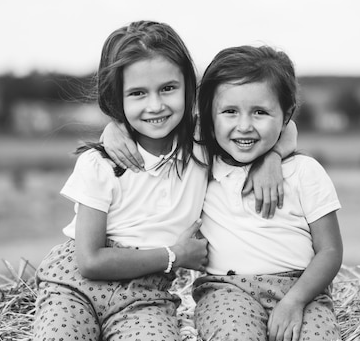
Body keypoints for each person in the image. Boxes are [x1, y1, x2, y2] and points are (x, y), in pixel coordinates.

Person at [33, 21, 293, 341]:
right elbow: (89, 261)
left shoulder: (202, 142)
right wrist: (175, 256)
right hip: (74, 288)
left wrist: (273, 157)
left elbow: (284, 124)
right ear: (118, 98)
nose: (155, 105)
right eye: (138, 93)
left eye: (168, 88)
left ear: (188, 86)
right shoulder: (101, 164)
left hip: (146, 296)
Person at [192, 45, 343, 341]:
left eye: (260, 112)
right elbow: (151, 131)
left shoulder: (304, 172)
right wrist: (115, 130)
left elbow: (330, 250)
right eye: (230, 112)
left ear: (286, 116)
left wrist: (295, 301)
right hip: (226, 290)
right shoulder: (200, 164)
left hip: (301, 291)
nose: (244, 126)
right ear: (210, 115)